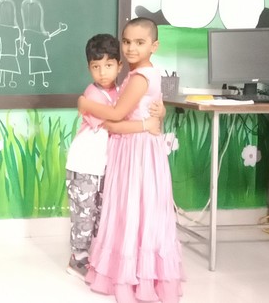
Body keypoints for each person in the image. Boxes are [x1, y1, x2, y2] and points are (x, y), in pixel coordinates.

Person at [78, 18, 183, 303]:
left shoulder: (139, 77)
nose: (131, 48)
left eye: (139, 42)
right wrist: (153, 118)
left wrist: (85, 104)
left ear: (154, 45)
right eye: (126, 42)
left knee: (133, 208)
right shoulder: (145, 73)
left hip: (136, 149)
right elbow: (148, 110)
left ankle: (133, 277)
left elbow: (116, 114)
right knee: (138, 209)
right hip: (137, 147)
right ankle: (138, 272)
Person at [64, 33, 163, 280]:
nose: (102, 72)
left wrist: (160, 112)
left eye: (108, 65)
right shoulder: (92, 95)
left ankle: (95, 257)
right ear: (89, 68)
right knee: (84, 214)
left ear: (119, 66)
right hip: (85, 164)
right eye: (96, 67)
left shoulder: (121, 91)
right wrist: (146, 125)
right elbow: (113, 123)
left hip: (105, 165)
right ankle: (77, 259)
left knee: (101, 213)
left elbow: (133, 108)